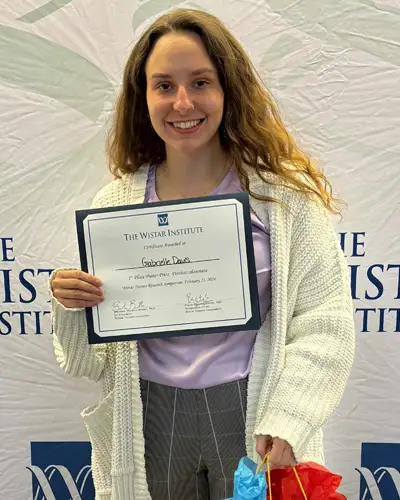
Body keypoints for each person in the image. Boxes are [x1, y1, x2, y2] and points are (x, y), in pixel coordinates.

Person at [50, 8, 355, 500]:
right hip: (148, 414)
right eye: (164, 85)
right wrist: (72, 305)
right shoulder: (114, 206)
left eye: (200, 82)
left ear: (228, 89)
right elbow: (88, 363)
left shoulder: (284, 200)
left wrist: (290, 416)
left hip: (252, 414)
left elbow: (325, 319)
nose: (182, 101)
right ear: (142, 98)